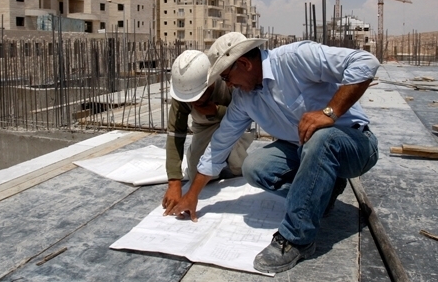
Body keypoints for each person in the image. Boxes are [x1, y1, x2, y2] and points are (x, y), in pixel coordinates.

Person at [167, 33, 380, 273]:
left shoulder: (295, 58)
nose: (228, 85)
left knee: (322, 137)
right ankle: (323, 192)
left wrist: (329, 112)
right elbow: (220, 144)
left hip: (355, 144)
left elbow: (365, 62)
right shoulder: (244, 99)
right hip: (306, 150)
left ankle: (297, 238)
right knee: (254, 167)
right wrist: (192, 193)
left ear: (245, 64)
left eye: (226, 77)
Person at [161, 49, 254, 215]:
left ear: (210, 81)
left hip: (235, 126)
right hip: (203, 128)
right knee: (195, 173)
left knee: (239, 168)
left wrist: (216, 111)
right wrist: (174, 183)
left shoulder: (228, 80)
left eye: (198, 95)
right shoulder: (183, 91)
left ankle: (234, 158)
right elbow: (176, 134)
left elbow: (247, 115)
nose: (194, 101)